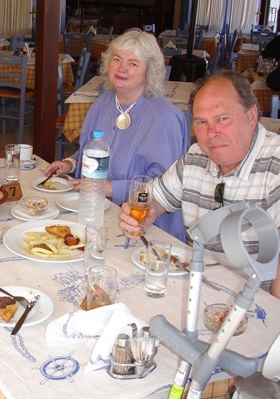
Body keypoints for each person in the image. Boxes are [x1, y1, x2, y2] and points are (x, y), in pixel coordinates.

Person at [119, 71, 280, 299]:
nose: (212, 133)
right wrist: (147, 211)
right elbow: (154, 197)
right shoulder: (196, 156)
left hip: (252, 302)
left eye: (223, 119)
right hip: (193, 286)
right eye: (201, 122)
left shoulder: (276, 166)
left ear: (251, 115)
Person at [45, 28, 190, 241]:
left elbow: (167, 186)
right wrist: (70, 163)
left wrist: (111, 188)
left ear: (149, 71)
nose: (122, 68)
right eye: (117, 59)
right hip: (97, 212)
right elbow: (91, 151)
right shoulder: (103, 102)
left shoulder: (165, 117)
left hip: (144, 226)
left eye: (133, 63)